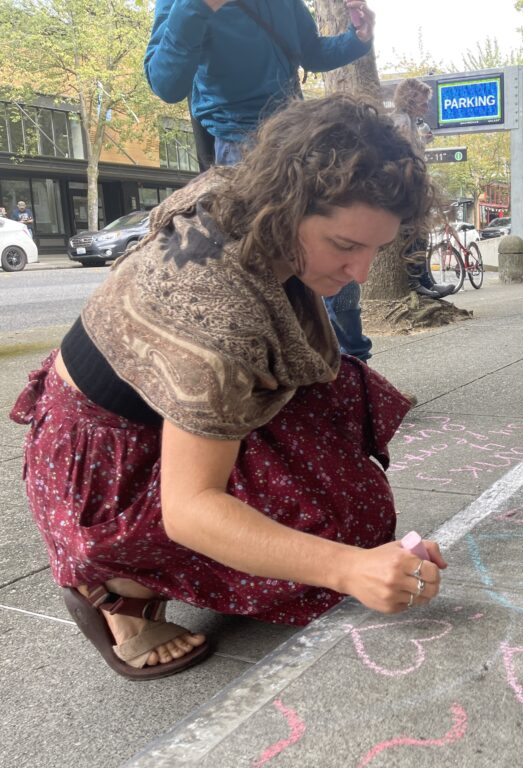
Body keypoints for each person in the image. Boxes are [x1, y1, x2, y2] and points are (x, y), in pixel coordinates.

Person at [10, 95, 447, 680]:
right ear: (289, 207)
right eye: (345, 246)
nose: (361, 273)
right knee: (339, 538)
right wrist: (348, 568)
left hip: (157, 409)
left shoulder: (243, 195)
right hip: (103, 463)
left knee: (351, 496)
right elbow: (191, 511)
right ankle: (118, 587)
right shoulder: (215, 310)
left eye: (376, 248)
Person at [144, 0, 377, 361]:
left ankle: (349, 364)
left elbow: (310, 52)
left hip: (297, 138)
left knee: (330, 251)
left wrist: (356, 39)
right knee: (260, 270)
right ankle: (264, 369)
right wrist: (198, 6)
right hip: (240, 148)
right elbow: (166, 82)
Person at [390, 78, 455, 299]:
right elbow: (402, 155)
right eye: (423, 102)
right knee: (414, 233)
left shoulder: (411, 122)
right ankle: (414, 281)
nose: (427, 107)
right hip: (408, 187)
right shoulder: (401, 122)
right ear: (410, 100)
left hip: (414, 185)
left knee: (422, 233)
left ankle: (423, 278)